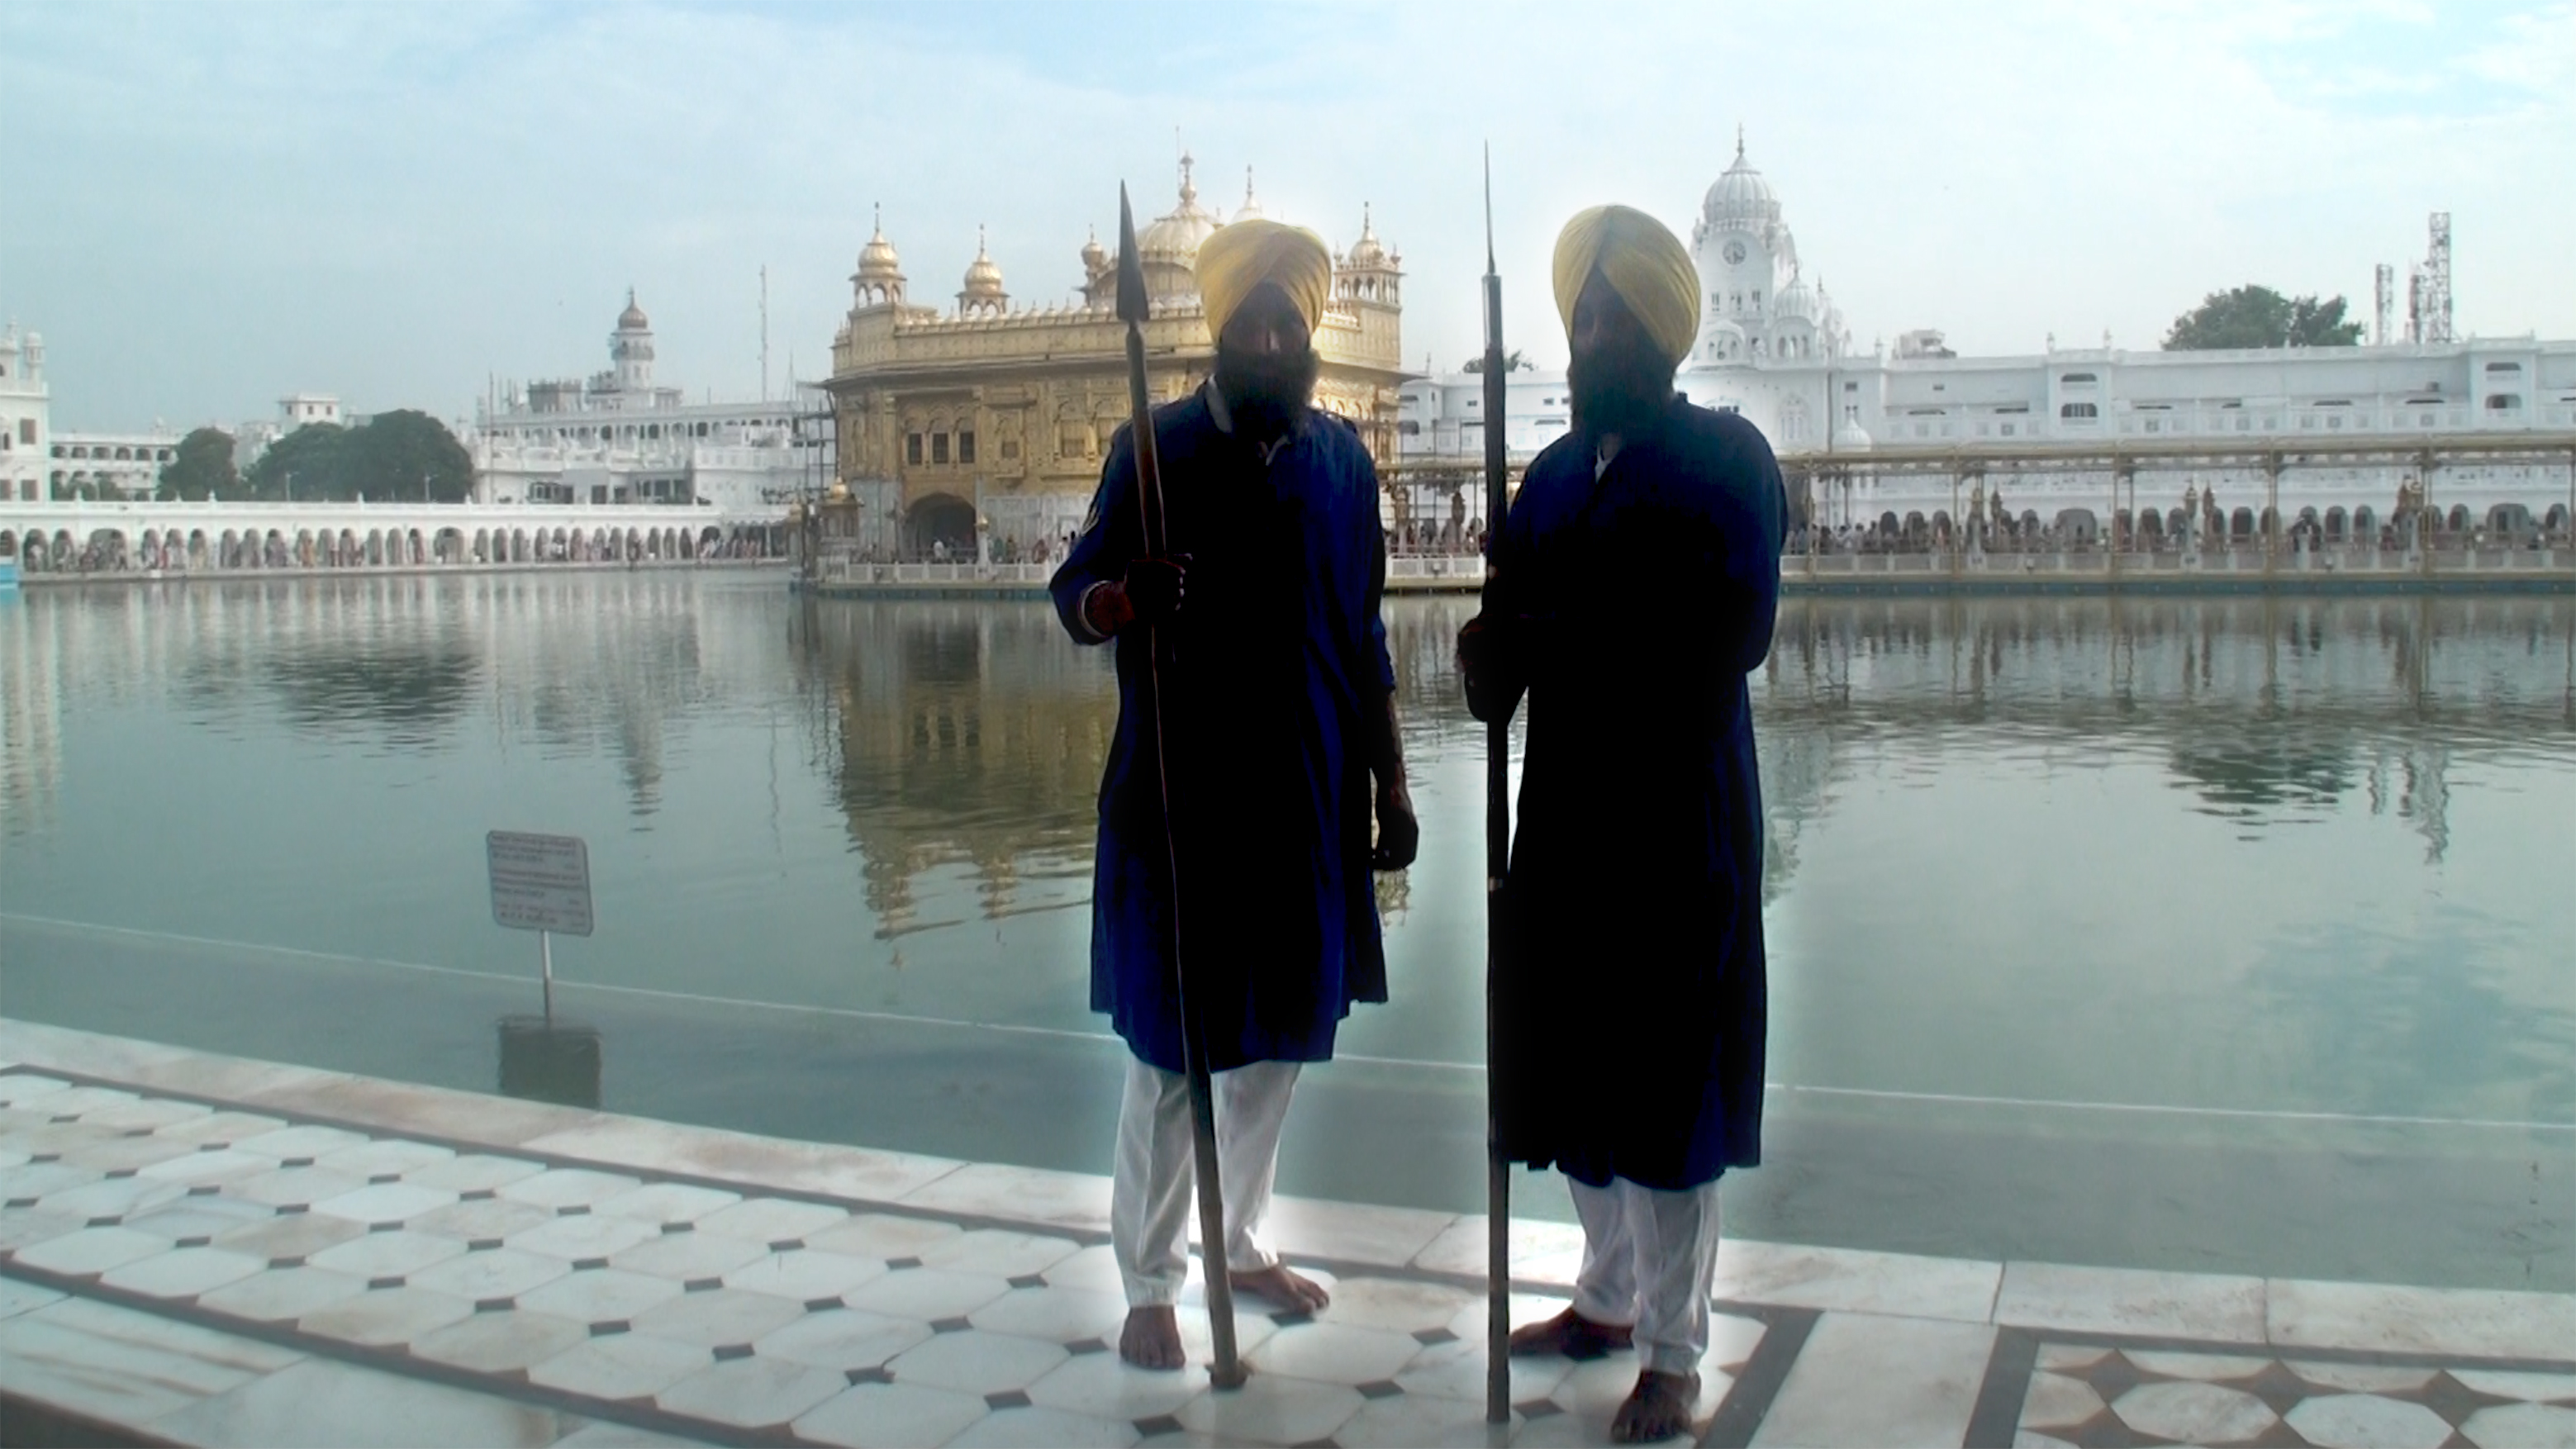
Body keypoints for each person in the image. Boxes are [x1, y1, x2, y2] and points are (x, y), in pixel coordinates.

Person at [1049, 216, 1419, 1371]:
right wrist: (1125, 599)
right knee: (1174, 1050)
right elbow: (1072, 590)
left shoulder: (1342, 463)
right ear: (1218, 331)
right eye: (1248, 323)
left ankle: (1240, 1238)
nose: (1266, 339)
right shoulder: (1153, 450)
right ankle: (1150, 1279)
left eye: (1283, 324)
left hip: (1306, 794)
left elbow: (1361, 635)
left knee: (1272, 1044)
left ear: (1306, 336)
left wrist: (1393, 779)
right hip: (1181, 796)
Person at [1457, 205, 1784, 1444]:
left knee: (1665, 1083)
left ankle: (1672, 1349)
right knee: (1568, 1063)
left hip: (1677, 817)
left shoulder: (1726, 462)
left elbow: (1727, 636)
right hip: (1568, 818)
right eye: (1580, 317)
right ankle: (1598, 1298)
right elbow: (1506, 669)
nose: (1591, 337)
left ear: (1659, 333)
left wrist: (1551, 636)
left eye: (1612, 317)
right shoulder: (1547, 476)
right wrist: (1489, 656)